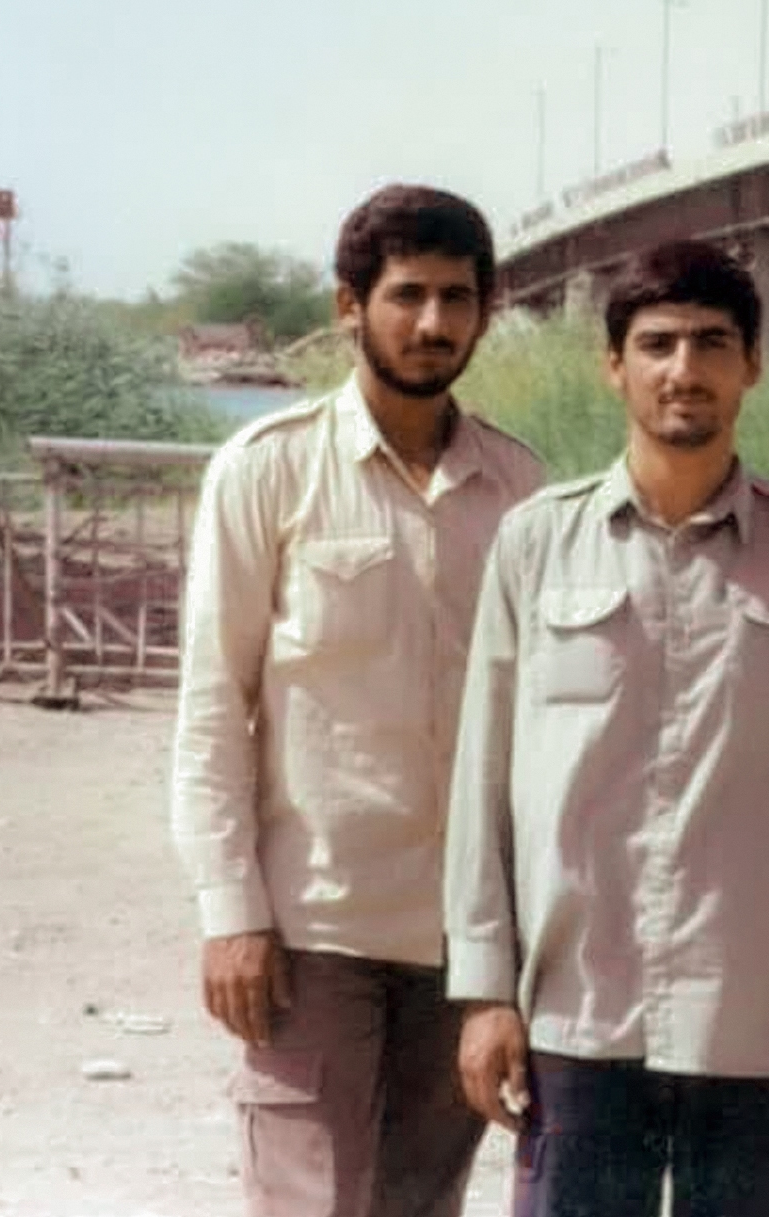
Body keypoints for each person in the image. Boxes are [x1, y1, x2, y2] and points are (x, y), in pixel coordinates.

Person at [444, 240, 769, 1217]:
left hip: (749, 1015)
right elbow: (482, 780)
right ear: (613, 365)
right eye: (657, 343)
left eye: (712, 343)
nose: (684, 368)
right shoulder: (536, 543)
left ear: (751, 365)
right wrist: (485, 993)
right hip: (575, 1010)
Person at [171, 184, 544, 1217]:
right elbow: (213, 706)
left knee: (422, 1205)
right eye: (407, 295)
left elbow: (540, 728)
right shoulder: (269, 470)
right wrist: (231, 912)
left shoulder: (519, 490)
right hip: (313, 931)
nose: (433, 323)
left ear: (485, 312)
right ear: (349, 306)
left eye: (457, 299)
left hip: (464, 939)